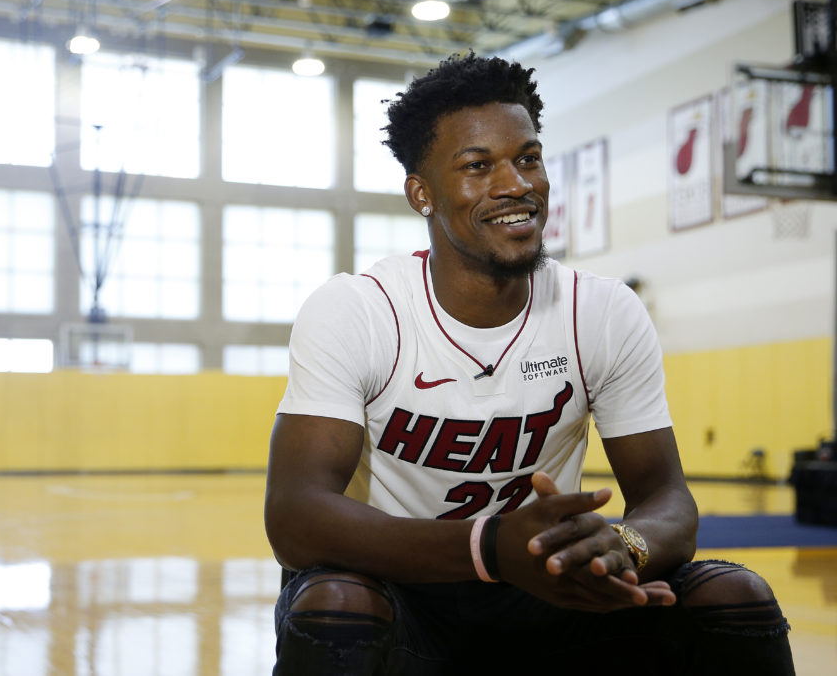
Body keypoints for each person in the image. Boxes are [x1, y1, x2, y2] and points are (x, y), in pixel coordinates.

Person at [264, 52, 795, 675]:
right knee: (336, 607)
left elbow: (667, 498)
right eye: (477, 166)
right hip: (405, 595)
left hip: (548, 593)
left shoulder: (601, 311)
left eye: (529, 158)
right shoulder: (360, 309)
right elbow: (296, 517)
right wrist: (488, 547)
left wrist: (621, 547)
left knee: (734, 599)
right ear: (421, 193)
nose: (516, 183)